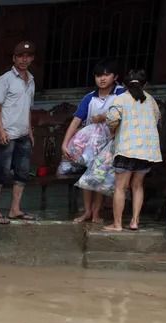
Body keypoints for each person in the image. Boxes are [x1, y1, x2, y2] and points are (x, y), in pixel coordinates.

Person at [60, 59, 125, 224]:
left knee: (100, 177)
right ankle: (88, 211)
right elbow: (76, 121)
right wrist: (65, 143)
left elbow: (126, 114)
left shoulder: (121, 94)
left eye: (106, 75)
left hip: (112, 143)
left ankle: (96, 212)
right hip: (91, 144)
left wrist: (103, 117)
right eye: (98, 75)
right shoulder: (89, 98)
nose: (102, 79)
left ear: (115, 76)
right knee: (88, 177)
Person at [104, 69, 161, 232]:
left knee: (121, 187)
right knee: (138, 186)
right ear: (146, 84)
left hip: (126, 149)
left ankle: (117, 224)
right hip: (146, 150)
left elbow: (112, 119)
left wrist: (113, 131)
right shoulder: (151, 100)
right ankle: (135, 221)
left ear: (123, 84)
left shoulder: (120, 99)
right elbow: (157, 119)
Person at [0, 41, 37, 225]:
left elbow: (29, 109)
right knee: (1, 173)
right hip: (7, 134)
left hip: (23, 134)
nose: (24, 59)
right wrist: (0, 130)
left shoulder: (31, 80)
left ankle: (15, 209)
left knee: (22, 173)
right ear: (14, 58)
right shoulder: (5, 79)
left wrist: (30, 130)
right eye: (20, 56)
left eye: (28, 56)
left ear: (32, 58)